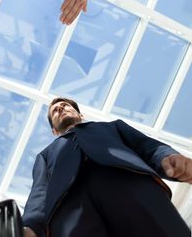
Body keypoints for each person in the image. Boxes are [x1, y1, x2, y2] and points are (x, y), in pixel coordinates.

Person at [22, 97, 192, 237]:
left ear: (80, 115)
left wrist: (168, 157)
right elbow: (39, 193)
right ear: (54, 132)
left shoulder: (113, 127)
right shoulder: (44, 155)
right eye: (55, 111)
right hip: (71, 214)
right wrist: (30, 227)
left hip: (132, 187)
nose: (60, 109)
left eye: (65, 105)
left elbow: (146, 146)